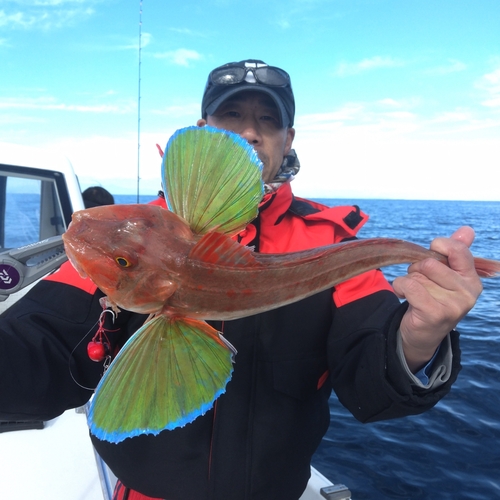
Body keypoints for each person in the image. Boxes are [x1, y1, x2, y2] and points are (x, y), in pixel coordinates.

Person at [0, 59, 482, 500]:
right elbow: (38, 341)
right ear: (202, 128)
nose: (250, 132)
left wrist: (420, 336)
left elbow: (369, 388)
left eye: (268, 120)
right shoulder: (142, 233)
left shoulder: (328, 244)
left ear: (288, 139)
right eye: (231, 115)